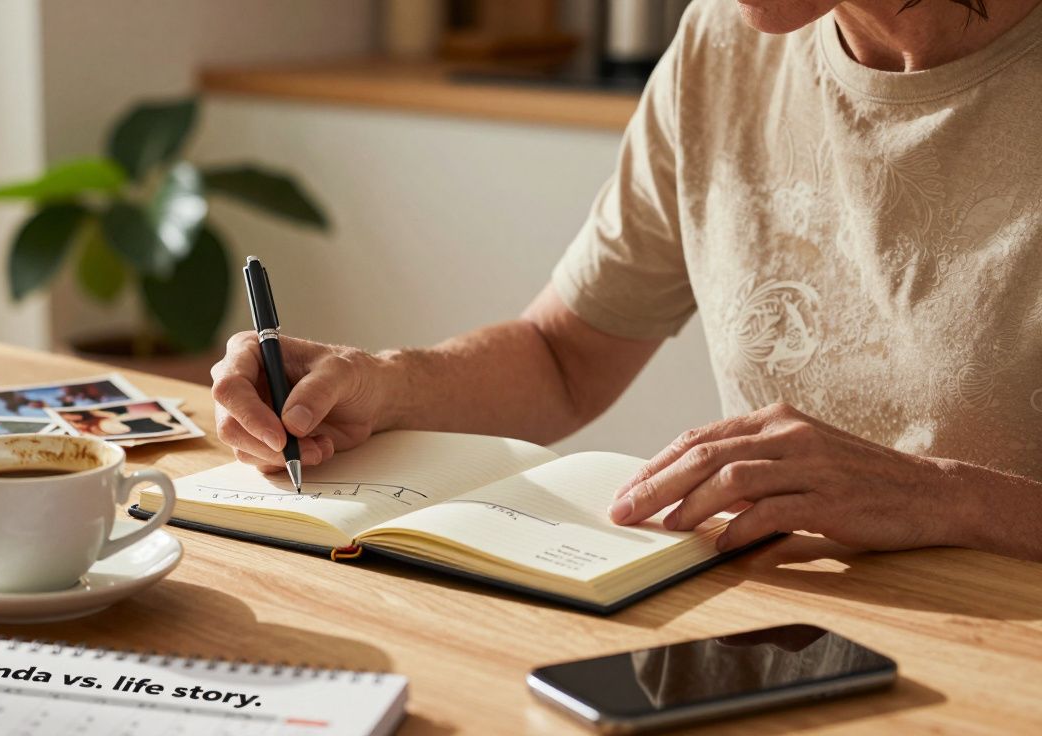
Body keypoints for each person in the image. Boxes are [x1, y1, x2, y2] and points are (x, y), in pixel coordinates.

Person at [210, 0, 1042, 562]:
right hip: (791, 632)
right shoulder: (723, 42)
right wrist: (382, 383)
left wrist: (946, 499)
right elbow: (562, 356)